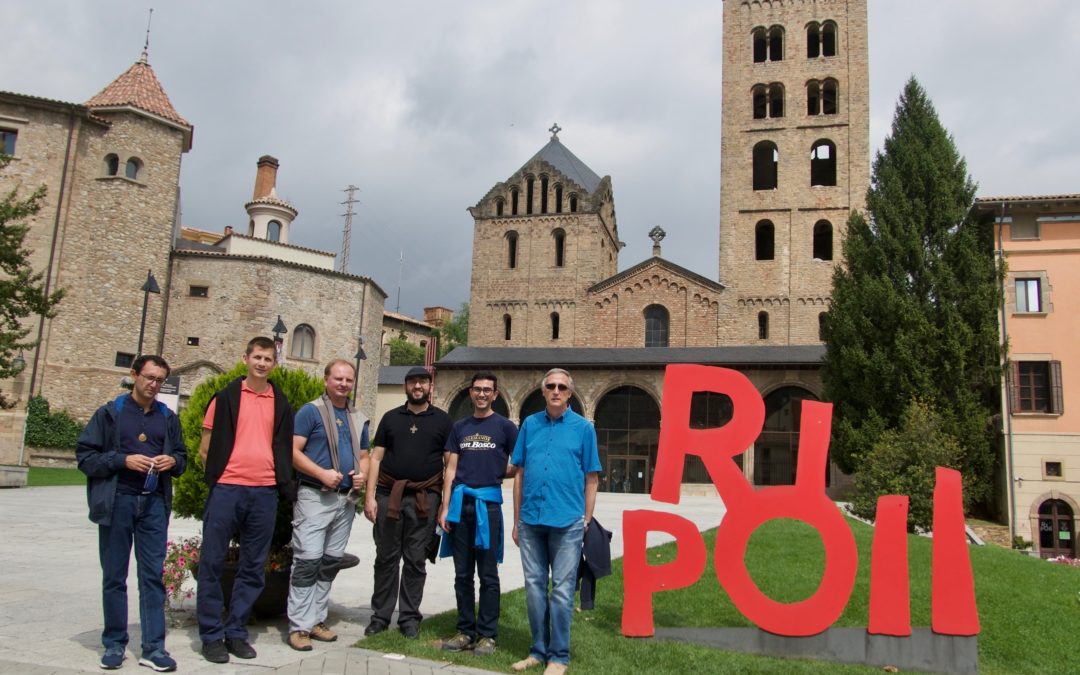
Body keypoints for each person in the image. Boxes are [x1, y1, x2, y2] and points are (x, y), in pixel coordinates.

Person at [76, 354, 186, 672]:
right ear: (134, 375)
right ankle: (114, 642)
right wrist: (122, 460)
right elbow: (85, 457)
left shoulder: (167, 417)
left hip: (153, 503)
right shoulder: (111, 413)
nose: (153, 385)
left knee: (152, 576)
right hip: (117, 502)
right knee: (114, 576)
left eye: (159, 380)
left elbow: (182, 457)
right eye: (149, 377)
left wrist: (173, 462)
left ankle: (153, 647)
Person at [196, 336, 295, 664]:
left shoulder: (281, 402)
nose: (262, 363)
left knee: (253, 566)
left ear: (274, 364)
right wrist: (222, 475)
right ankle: (211, 635)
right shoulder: (224, 398)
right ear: (246, 359)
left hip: (264, 492)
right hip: (227, 489)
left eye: (268, 359)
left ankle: (236, 631)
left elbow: (283, 448)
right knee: (211, 562)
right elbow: (205, 446)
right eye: (257, 357)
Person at [510, 368, 601, 675]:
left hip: (568, 522)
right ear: (543, 391)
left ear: (570, 393)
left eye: (562, 386)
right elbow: (519, 475)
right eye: (551, 386)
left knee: (561, 591)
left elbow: (592, 477)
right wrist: (516, 521)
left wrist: (586, 520)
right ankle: (538, 650)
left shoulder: (583, 428)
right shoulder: (529, 425)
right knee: (534, 587)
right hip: (531, 520)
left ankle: (558, 656)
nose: (556, 391)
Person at [286, 359, 370, 651]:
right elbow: (293, 452)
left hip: (345, 500)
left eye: (348, 380)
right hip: (315, 495)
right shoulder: (310, 412)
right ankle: (299, 625)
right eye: (338, 379)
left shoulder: (357, 416)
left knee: (330, 562)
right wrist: (321, 473)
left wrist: (363, 475)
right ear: (326, 380)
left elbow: (365, 455)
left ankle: (316, 619)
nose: (343, 384)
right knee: (308, 561)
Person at [363, 365, 452, 639]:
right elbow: (376, 458)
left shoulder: (443, 420)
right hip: (389, 495)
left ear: (430, 387)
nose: (418, 386)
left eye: (422, 382)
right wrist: (369, 496)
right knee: (386, 557)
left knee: (416, 560)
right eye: (413, 382)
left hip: (426, 498)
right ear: (405, 386)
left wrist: (445, 506)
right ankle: (380, 616)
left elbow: (449, 466)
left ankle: (410, 618)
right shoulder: (390, 418)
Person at [437, 372, 518, 656]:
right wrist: (445, 508)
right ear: (470, 393)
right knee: (462, 574)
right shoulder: (460, 427)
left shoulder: (505, 427)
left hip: (488, 507)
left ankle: (487, 635)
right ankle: (465, 631)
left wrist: (497, 473)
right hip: (461, 506)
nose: (482, 394)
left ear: (495, 394)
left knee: (488, 574)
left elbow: (518, 465)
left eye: (487, 390)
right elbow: (450, 469)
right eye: (477, 389)